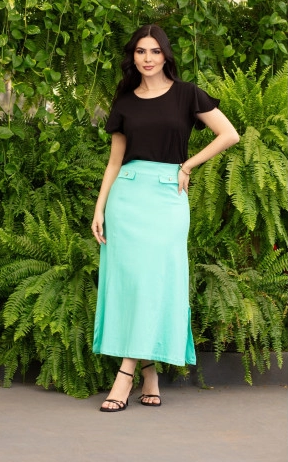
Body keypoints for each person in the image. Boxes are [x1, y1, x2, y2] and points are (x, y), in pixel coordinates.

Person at [91, 24, 240, 412]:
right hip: (127, 198)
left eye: (155, 51)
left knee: (155, 281)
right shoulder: (125, 102)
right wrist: (100, 207)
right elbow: (114, 161)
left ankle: (124, 375)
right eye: (141, 51)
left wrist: (187, 165)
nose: (148, 58)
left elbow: (229, 134)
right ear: (133, 56)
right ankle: (148, 372)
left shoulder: (188, 94)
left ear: (166, 55)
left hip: (167, 197)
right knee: (133, 285)